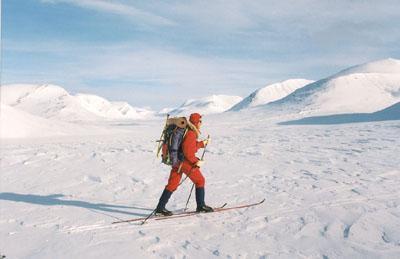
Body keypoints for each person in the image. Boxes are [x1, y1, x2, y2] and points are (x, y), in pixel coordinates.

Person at [155, 113, 213, 216]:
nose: (201, 123)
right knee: (200, 181)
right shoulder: (191, 133)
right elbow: (188, 151)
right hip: (185, 162)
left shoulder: (186, 130)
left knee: (172, 184)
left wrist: (201, 144)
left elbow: (188, 146)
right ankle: (201, 206)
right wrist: (196, 161)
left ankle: (160, 208)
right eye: (200, 121)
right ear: (197, 122)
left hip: (176, 161)